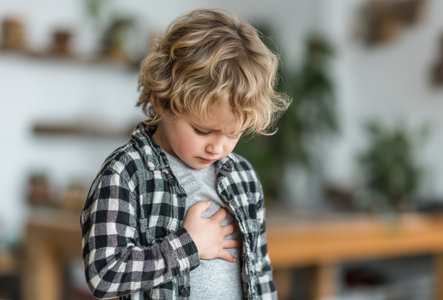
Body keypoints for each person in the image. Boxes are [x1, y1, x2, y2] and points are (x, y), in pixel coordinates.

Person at [80, 8, 290, 300]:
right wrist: (188, 245)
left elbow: (261, 272)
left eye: (233, 134)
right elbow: (103, 275)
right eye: (203, 131)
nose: (217, 148)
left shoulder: (243, 176)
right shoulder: (125, 173)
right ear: (162, 102)